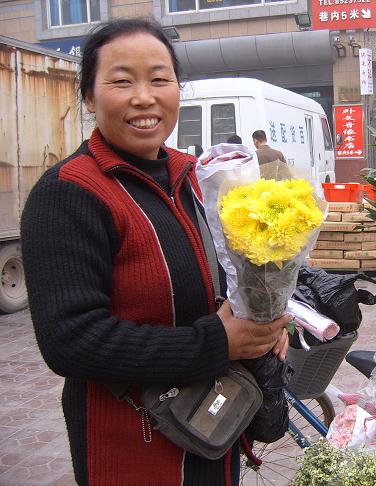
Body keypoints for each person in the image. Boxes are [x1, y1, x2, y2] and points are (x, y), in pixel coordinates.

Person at [19, 18, 290, 486]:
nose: (144, 97)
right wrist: (218, 342)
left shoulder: (200, 179)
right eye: (121, 81)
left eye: (160, 79)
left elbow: (238, 276)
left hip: (212, 428)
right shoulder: (69, 193)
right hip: (133, 447)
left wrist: (264, 322)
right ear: (89, 96)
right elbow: (71, 340)